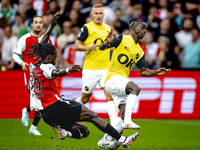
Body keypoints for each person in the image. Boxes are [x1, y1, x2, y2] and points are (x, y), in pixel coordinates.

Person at [28, 42, 139, 149]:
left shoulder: (34, 65)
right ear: (48, 57)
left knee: (85, 131)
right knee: (92, 116)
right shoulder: (47, 67)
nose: (56, 59)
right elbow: (56, 72)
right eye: (54, 57)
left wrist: (51, 26)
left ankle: (66, 133)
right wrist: (68, 69)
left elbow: (42, 45)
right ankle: (122, 139)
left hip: (46, 115)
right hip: (55, 106)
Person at [97, 18, 170, 147]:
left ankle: (105, 140)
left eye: (145, 30)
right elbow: (103, 48)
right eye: (142, 28)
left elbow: (143, 71)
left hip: (121, 82)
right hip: (113, 79)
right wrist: (105, 43)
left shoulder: (140, 51)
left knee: (123, 111)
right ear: (134, 28)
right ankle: (128, 121)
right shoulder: (121, 38)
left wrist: (156, 72)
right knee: (135, 88)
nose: (144, 32)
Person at [12, 12, 58, 135]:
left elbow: (52, 54)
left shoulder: (46, 38)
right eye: (35, 22)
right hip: (30, 74)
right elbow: (15, 54)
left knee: (39, 100)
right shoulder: (25, 38)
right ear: (31, 24)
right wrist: (21, 62)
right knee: (38, 100)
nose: (38, 25)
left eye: (40, 23)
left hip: (43, 74)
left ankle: (29, 117)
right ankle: (31, 123)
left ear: (43, 25)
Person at [74, 4, 119, 128]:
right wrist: (89, 47)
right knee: (85, 98)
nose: (98, 16)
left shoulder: (107, 28)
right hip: (90, 69)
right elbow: (77, 46)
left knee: (110, 95)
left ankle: (115, 124)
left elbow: (108, 48)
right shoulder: (86, 28)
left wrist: (114, 47)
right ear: (92, 15)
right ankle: (68, 111)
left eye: (100, 13)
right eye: (96, 13)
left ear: (103, 14)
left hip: (105, 68)